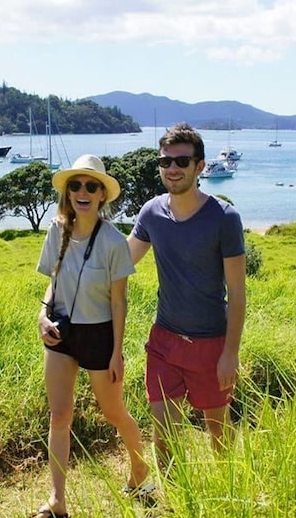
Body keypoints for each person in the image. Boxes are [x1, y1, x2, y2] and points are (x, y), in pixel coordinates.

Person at [33, 155, 149, 518]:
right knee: (59, 415)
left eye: (91, 186)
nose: (83, 192)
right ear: (68, 193)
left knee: (114, 413)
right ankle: (58, 500)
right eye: (76, 185)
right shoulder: (57, 230)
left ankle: (140, 469)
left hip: (100, 334)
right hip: (62, 330)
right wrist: (41, 314)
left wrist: (117, 353)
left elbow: (119, 302)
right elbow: (54, 284)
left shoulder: (114, 242)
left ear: (102, 196)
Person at [127, 123, 246, 467]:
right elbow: (121, 261)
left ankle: (226, 493)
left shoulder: (224, 218)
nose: (173, 169)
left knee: (218, 433)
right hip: (164, 340)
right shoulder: (152, 212)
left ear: (200, 166)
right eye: (166, 162)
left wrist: (230, 354)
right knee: (163, 434)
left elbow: (237, 292)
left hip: (211, 343)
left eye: (182, 161)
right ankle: (174, 496)